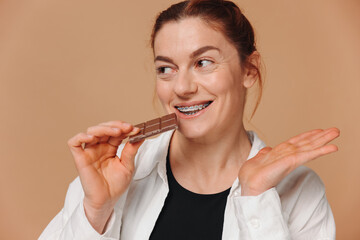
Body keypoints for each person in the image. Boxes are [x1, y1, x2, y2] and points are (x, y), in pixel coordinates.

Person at [39, 0, 340, 239]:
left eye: (203, 62)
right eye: (165, 69)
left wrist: (256, 197)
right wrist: (96, 211)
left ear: (249, 69)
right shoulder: (109, 175)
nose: (182, 88)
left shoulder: (300, 191)